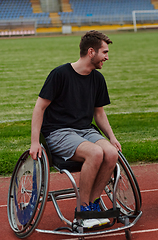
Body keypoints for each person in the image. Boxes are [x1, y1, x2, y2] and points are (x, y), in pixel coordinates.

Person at [29, 30, 121, 229]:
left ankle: (94, 205)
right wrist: (35, 142)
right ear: (91, 52)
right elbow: (40, 107)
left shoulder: (97, 79)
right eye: (104, 52)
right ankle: (83, 210)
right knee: (96, 153)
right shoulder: (60, 74)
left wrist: (112, 137)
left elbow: (99, 113)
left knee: (111, 153)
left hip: (85, 130)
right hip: (59, 132)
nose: (107, 56)